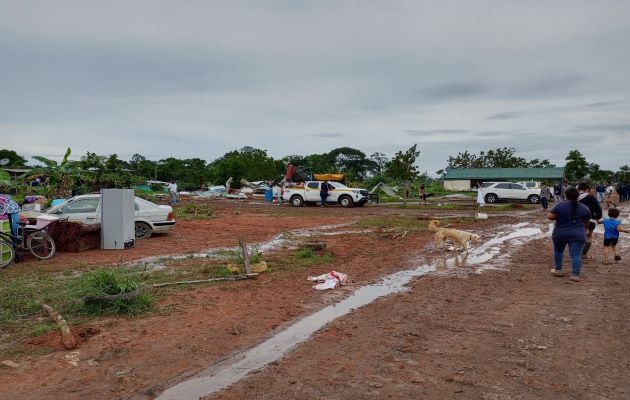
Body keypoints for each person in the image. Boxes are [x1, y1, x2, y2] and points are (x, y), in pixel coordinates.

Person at [547, 187, 591, 282]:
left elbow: (550, 216)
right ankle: (575, 275)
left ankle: (558, 270)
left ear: (566, 195)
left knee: (558, 251)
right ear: (578, 196)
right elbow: (587, 222)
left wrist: (559, 216)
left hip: (560, 233)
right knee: (576, 255)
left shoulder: (560, 205)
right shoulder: (584, 207)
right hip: (578, 234)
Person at [577, 183, 603, 260]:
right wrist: (598, 218)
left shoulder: (573, 196)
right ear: (587, 189)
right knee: (589, 236)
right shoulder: (591, 197)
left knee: (576, 235)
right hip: (590, 220)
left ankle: (575, 252)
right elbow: (598, 208)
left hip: (575, 220)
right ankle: (583, 254)